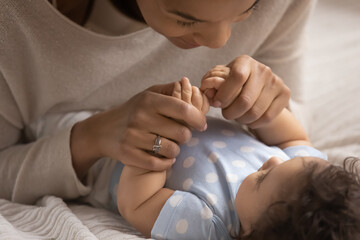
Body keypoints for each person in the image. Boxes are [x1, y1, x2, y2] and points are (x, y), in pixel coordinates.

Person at [0, 0, 316, 205]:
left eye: (248, 11)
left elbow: (299, 136)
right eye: (184, 19)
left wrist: (265, 106)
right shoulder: (12, 22)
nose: (220, 42)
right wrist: (91, 138)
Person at [111, 75, 360, 240]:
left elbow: (138, 203)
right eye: (285, 161)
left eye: (263, 178)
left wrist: (166, 131)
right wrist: (250, 106)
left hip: (116, 153)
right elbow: (292, 139)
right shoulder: (308, 175)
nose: (273, 160)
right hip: (165, 113)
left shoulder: (211, 225)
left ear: (250, 233)